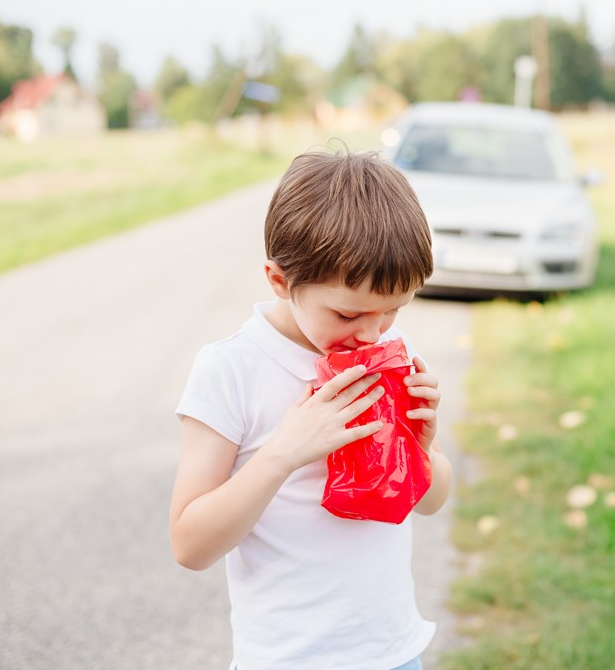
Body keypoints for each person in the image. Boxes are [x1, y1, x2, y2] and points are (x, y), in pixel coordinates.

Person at [170, 148, 452, 670]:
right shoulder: (231, 369)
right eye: (347, 314)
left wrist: (421, 447)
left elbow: (432, 501)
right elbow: (190, 546)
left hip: (393, 653)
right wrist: (282, 454)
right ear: (280, 281)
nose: (371, 334)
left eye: (393, 311)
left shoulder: (394, 352)